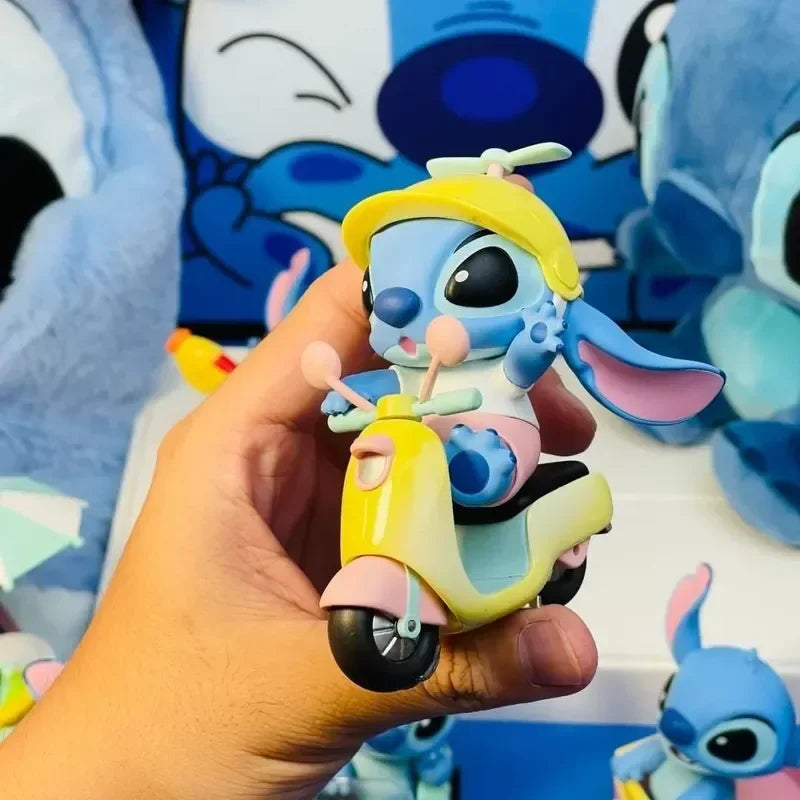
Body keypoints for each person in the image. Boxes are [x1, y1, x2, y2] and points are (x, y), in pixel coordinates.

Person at [0, 260, 599, 799]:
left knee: (473, 477)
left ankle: (519, 524)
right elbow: (379, 385)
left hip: (490, 444)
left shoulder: (475, 365)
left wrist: (533, 344)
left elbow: (517, 373)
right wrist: (345, 395)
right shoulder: (415, 367)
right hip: (423, 448)